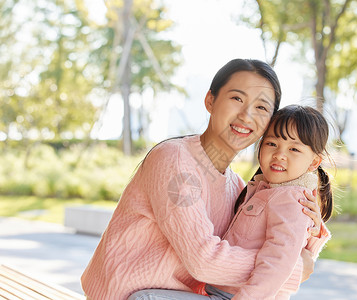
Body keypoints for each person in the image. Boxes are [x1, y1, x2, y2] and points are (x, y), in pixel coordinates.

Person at [81, 59, 328, 300]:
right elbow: (204, 261)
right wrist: (294, 268)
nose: (246, 115)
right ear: (210, 100)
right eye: (237, 98)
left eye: (261, 107)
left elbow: (275, 240)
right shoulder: (175, 160)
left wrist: (310, 232)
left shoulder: (239, 188)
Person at [204, 104, 334, 299]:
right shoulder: (265, 189)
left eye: (294, 149)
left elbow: (278, 262)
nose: (279, 155)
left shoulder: (290, 199)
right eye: (272, 144)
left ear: (314, 162)